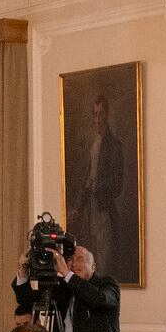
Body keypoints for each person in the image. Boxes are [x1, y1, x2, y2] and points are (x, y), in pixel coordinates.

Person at [12, 239, 120, 332]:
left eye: (80, 259)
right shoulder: (63, 287)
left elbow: (98, 299)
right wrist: (23, 272)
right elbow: (25, 300)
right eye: (69, 260)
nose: (74, 264)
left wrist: (66, 273)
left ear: (93, 267)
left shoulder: (107, 284)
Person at [69, 95, 126, 274]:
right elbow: (87, 182)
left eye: (100, 114)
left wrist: (98, 187)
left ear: (106, 115)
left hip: (105, 216)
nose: (97, 119)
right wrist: (78, 209)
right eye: (94, 114)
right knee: (91, 269)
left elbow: (117, 185)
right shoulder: (94, 145)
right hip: (92, 216)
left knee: (104, 267)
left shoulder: (114, 146)